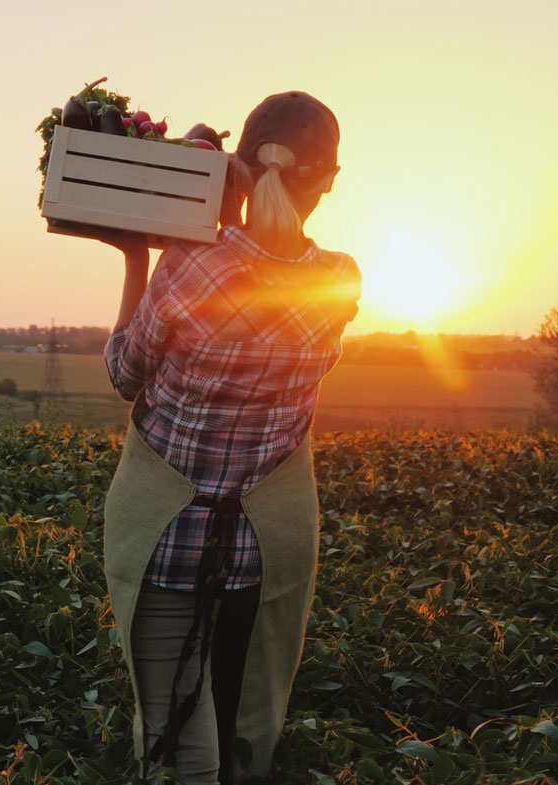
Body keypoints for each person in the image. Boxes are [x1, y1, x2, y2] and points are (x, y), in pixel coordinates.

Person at [98, 91, 361, 784]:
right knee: (241, 735)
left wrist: (138, 254)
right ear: (328, 180)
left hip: (166, 543)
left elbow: (126, 372)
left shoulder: (190, 265)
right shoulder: (339, 281)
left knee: (176, 746)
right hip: (261, 551)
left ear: (239, 166)